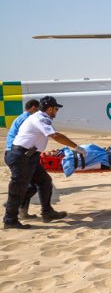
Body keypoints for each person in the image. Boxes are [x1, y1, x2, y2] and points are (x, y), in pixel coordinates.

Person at [3, 96, 86, 229]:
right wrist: (75, 147)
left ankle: (47, 213)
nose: (57, 112)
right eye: (56, 109)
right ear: (50, 108)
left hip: (29, 156)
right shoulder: (40, 118)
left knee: (44, 182)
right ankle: (10, 219)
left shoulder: (39, 118)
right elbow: (55, 135)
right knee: (19, 186)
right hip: (20, 156)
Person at [5, 99, 40, 219]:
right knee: (28, 186)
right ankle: (14, 207)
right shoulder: (27, 119)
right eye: (38, 109)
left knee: (29, 185)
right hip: (17, 153)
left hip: (18, 152)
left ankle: (21, 211)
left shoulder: (23, 117)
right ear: (33, 108)